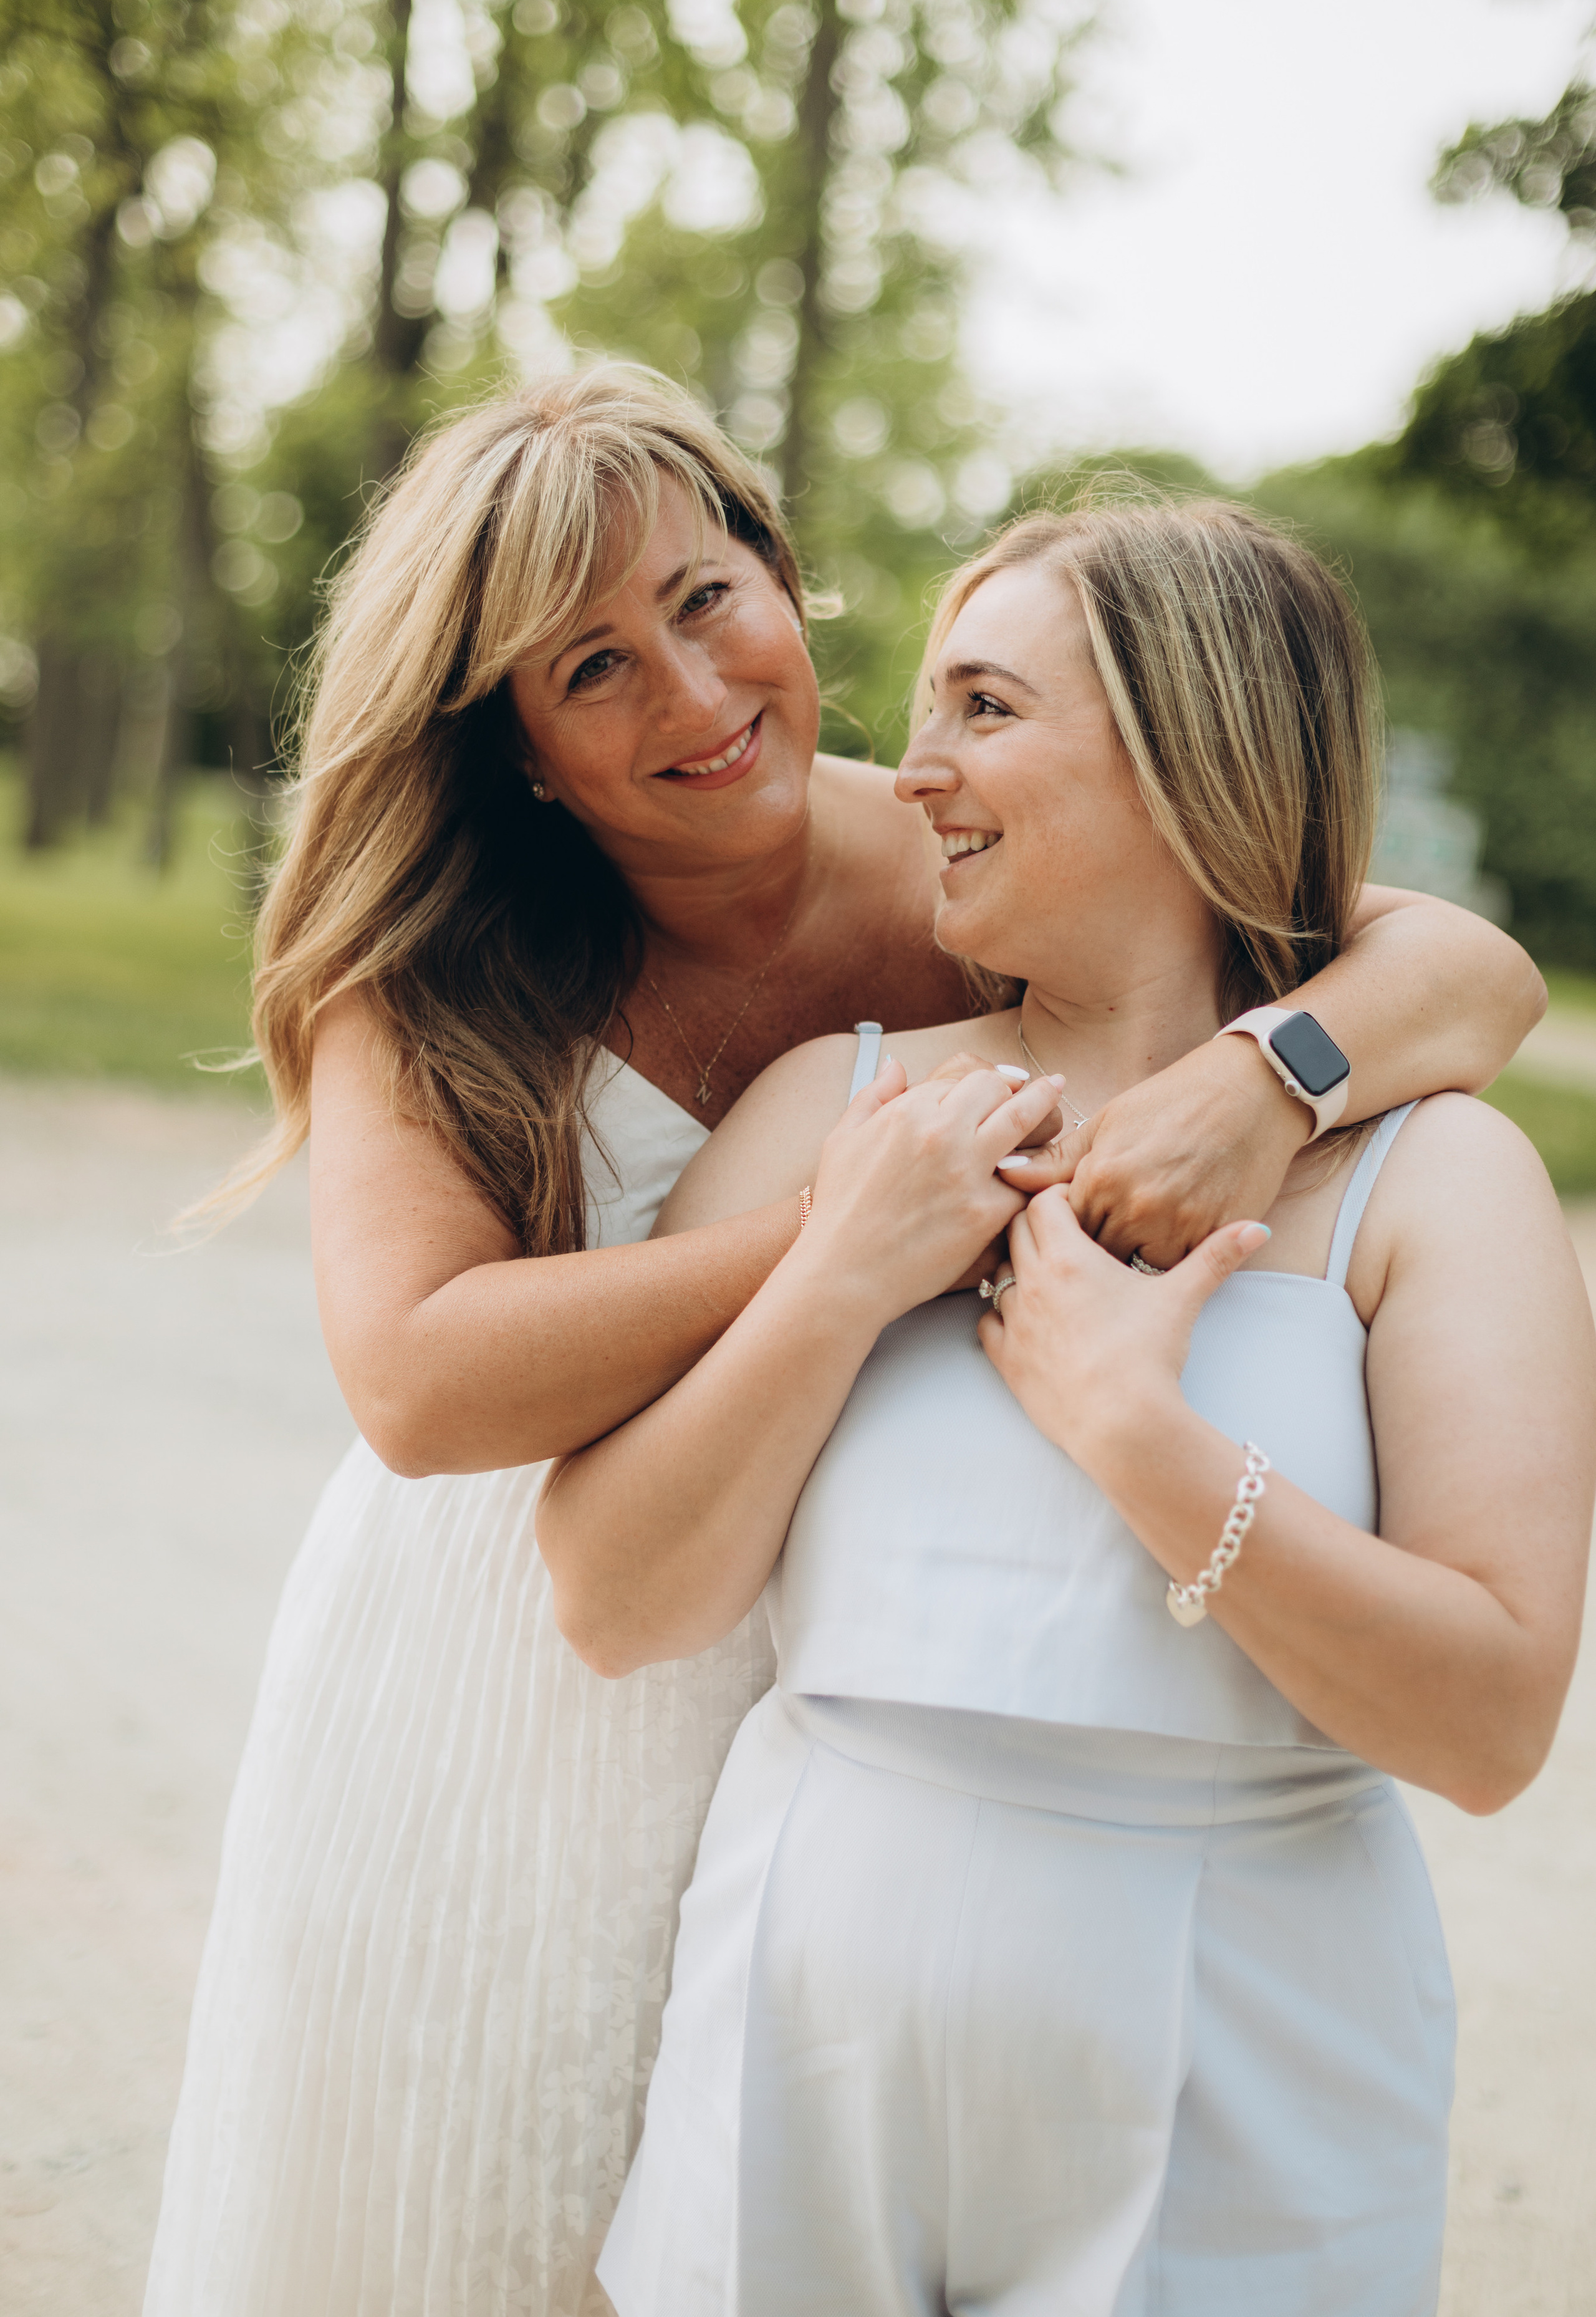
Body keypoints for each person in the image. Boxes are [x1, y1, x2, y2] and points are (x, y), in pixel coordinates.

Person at [146, 373, 1544, 2317]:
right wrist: (836, 1243)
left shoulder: (968, 856)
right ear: (519, 748)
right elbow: (420, 1385)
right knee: (457, 2209)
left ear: (784, 583)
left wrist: (1270, 1074)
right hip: (523, 1642)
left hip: (834, 1649)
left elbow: (1456, 964)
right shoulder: (454, 970)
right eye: (592, 670)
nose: (696, 701)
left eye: (707, 602)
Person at [539, 496, 1596, 2317]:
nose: (913, 769)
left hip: (1245, 2061)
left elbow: (1492, 1722)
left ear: (1193, 756)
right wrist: (844, 1276)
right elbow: (616, 1602)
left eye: (983, 709)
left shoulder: (1439, 1179)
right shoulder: (831, 1106)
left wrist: (1140, 1439)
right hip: (804, 2025)